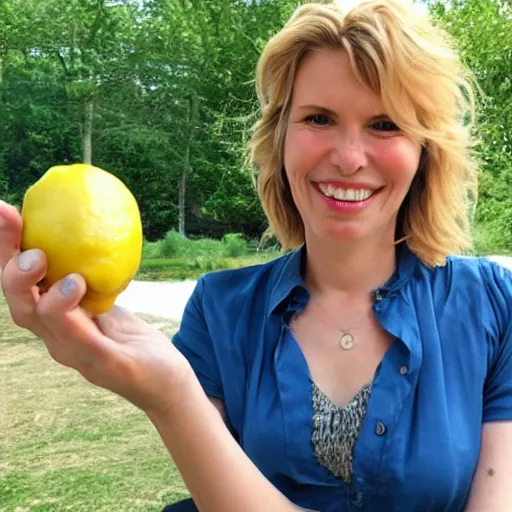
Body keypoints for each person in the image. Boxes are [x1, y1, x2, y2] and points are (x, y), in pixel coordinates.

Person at [1, 0, 511, 510]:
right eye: (319, 118)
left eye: (385, 124)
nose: (350, 158)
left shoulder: (494, 306)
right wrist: (171, 395)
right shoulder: (219, 310)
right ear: (281, 135)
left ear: (425, 149)